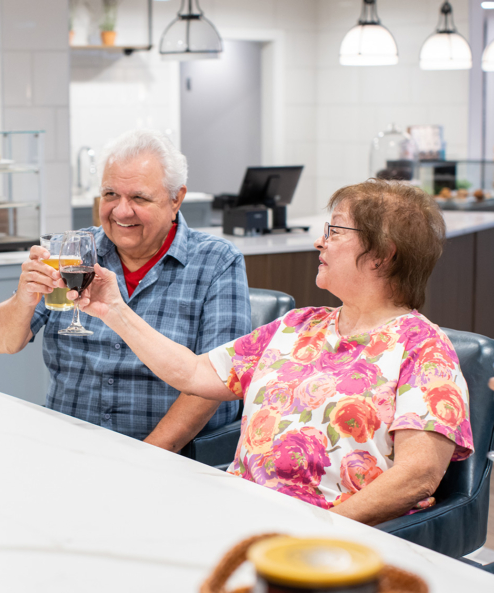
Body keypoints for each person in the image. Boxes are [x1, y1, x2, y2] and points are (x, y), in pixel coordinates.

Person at [75, 178, 473, 526]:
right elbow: (193, 374)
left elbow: (418, 475)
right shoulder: (297, 326)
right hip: (241, 515)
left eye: (334, 231)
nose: (321, 241)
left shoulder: (423, 347)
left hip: (332, 540)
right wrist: (114, 309)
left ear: (383, 254)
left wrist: (315, 531)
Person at [0, 129, 251, 449]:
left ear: (176, 199)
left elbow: (218, 378)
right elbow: (0, 344)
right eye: (110, 195)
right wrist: (23, 299)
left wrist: (146, 458)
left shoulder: (217, 262)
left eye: (139, 198)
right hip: (68, 446)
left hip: (174, 458)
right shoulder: (70, 252)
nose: (122, 211)